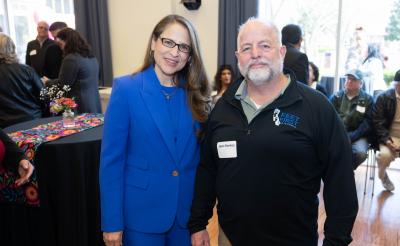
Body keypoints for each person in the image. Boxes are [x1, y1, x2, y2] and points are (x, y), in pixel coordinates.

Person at [188, 18, 358, 245]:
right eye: (247, 48)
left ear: (281, 52)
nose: (255, 53)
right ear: (238, 57)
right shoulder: (223, 108)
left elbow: (341, 179)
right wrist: (199, 223)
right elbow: (208, 169)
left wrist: (336, 241)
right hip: (230, 238)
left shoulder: (316, 107)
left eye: (264, 46)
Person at [100, 14, 210, 246]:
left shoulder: (196, 96)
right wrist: (112, 223)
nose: (174, 52)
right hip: (141, 219)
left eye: (183, 47)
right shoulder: (126, 89)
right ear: (153, 43)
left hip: (185, 219)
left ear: (190, 55)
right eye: (168, 42)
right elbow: (112, 163)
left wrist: (199, 221)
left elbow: (201, 163)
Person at [44, 28, 102, 113]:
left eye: (60, 44)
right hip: (94, 103)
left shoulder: (71, 59)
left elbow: (63, 84)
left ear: (68, 42)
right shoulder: (91, 57)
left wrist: (48, 82)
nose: (61, 48)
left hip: (79, 105)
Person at [330, 69, 373, 169]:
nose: (349, 81)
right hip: (338, 133)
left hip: (358, 135)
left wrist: (352, 136)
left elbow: (367, 123)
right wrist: (338, 134)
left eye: (353, 79)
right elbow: (328, 117)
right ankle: (342, 172)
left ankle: (345, 171)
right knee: (326, 149)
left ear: (361, 83)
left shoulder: (368, 99)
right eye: (348, 78)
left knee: (361, 153)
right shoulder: (336, 97)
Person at [0, 33, 44, 128]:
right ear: (12, 48)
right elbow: (44, 96)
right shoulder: (26, 70)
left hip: (6, 125)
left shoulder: (27, 70)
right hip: (33, 119)